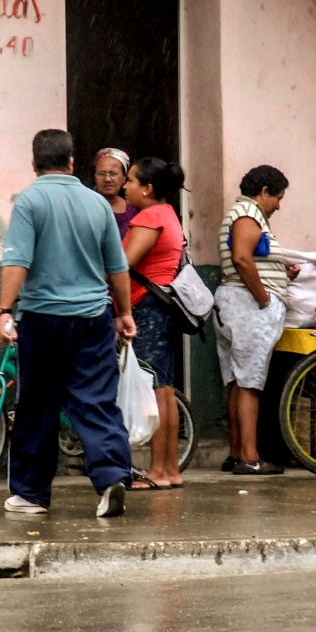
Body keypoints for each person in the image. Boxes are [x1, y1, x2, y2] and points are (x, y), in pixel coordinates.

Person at [0, 129, 136, 518]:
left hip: (44, 319)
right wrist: (124, 313)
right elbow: (117, 266)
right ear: (72, 162)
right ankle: (110, 477)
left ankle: (31, 494)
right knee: (96, 400)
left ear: (34, 163)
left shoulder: (31, 201)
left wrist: (5, 310)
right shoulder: (97, 204)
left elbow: (17, 261)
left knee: (38, 404)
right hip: (94, 318)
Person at [216, 166, 300, 475]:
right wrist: (264, 298)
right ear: (263, 191)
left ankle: (238, 453)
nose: (278, 204)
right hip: (247, 305)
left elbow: (251, 257)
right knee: (250, 383)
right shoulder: (248, 214)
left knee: (238, 382)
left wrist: (281, 271)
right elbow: (241, 258)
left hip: (235, 303)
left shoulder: (243, 213)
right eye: (278, 197)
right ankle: (250, 458)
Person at [121, 157, 186, 490]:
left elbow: (124, 264)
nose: (125, 185)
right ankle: (170, 470)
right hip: (160, 308)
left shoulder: (150, 217)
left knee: (157, 391)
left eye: (131, 180)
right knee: (165, 390)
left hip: (146, 308)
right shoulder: (169, 214)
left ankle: (159, 471)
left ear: (147, 188)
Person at [93, 147, 138, 239]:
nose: (107, 179)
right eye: (101, 174)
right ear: (95, 177)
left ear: (124, 178)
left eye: (113, 174)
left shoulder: (133, 210)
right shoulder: (85, 206)